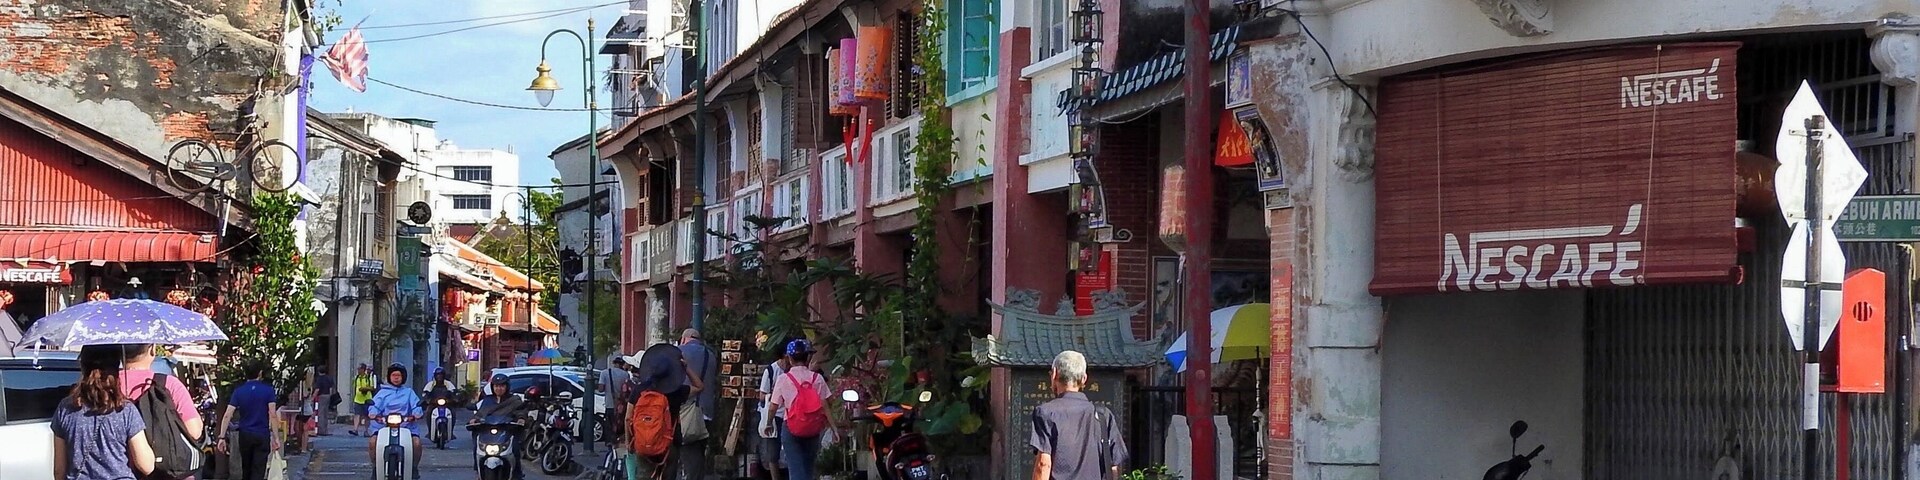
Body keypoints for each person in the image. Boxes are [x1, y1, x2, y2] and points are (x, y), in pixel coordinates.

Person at [53, 344, 157, 480]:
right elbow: (146, 466)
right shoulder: (125, 410)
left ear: (83, 366)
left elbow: (59, 471)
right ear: (115, 367)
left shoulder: (66, 408)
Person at [1030, 351, 1127, 480]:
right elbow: (1113, 467)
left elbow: (1043, 465)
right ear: (1084, 378)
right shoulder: (1103, 416)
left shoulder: (1046, 412)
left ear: (1054, 374)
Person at [117, 344, 203, 479]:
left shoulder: (106, 386)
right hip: (164, 472)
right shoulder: (168, 384)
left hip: (119, 471)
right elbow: (195, 431)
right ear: (152, 349)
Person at [763, 339, 828, 480]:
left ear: (790, 358)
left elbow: (773, 406)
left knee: (795, 468)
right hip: (813, 427)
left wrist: (768, 423)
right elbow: (825, 404)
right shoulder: (817, 378)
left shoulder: (783, 379)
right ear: (807, 357)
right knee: (808, 468)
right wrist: (833, 427)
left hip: (791, 426)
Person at [217, 362, 280, 480]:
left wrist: (222, 437)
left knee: (246, 468)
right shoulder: (268, 390)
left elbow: (227, 415)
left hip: (245, 434)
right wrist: (276, 437)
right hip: (262, 434)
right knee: (259, 469)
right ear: (260, 373)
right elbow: (272, 414)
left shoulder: (238, 391)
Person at [367, 363, 425, 476]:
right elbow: (375, 405)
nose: (396, 378)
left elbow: (416, 405)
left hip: (406, 426)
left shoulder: (409, 392)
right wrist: (373, 413)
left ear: (403, 377)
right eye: (393, 375)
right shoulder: (382, 392)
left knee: (417, 443)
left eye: (399, 375)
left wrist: (417, 413)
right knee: (373, 442)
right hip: (383, 425)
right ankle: (375, 467)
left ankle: (414, 468)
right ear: (389, 377)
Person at [677, 329, 718, 480]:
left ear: (684, 338)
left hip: (687, 411)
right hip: (707, 410)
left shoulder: (679, 352)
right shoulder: (711, 355)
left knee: (688, 454)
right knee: (700, 452)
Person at [754, 343, 794, 480]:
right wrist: (777, 395)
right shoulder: (771, 371)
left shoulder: (793, 370)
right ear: (784, 356)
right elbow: (762, 395)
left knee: (790, 449)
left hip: (790, 414)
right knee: (773, 452)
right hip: (775, 414)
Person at [352, 364, 376, 436]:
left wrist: (365, 389)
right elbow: (355, 387)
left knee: (366, 416)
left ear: (363, 369)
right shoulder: (356, 377)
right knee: (357, 414)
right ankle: (355, 430)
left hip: (367, 399)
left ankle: (366, 431)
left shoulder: (368, 377)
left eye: (359, 369)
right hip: (357, 399)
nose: (358, 370)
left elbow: (372, 388)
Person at [315, 366, 335, 436]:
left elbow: (317, 389)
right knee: (325, 413)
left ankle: (321, 430)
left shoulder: (319, 379)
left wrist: (313, 397)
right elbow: (331, 388)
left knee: (320, 413)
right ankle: (325, 430)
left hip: (321, 396)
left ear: (318, 371)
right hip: (327, 395)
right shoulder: (329, 378)